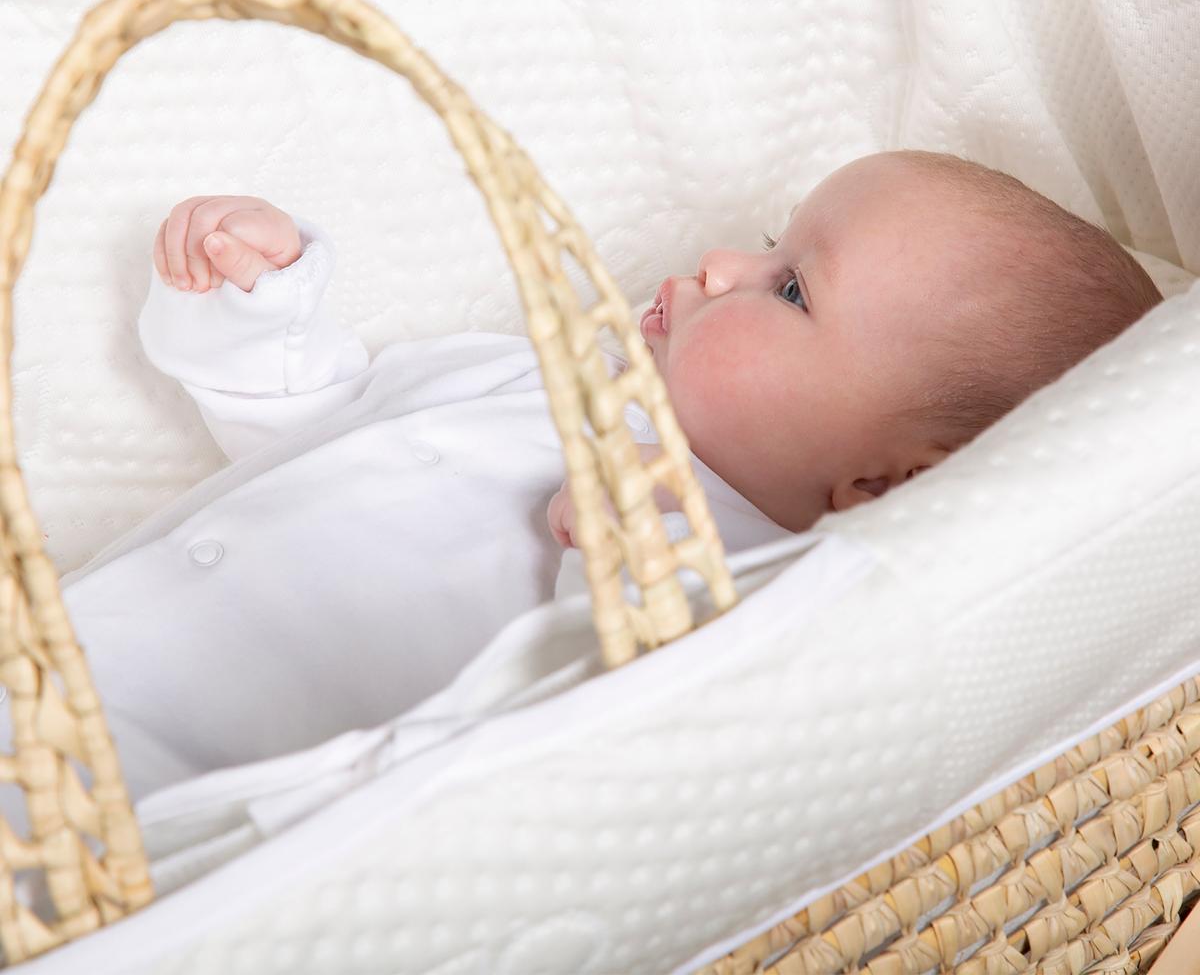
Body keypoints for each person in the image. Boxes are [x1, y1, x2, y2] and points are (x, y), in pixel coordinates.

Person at [49, 149, 1162, 800]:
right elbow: (325, 423)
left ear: (880, 485)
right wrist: (258, 308)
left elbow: (597, 754)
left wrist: (633, 566)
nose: (722, 263)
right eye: (769, 241)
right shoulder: (536, 371)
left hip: (157, 797)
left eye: (788, 289)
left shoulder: (742, 594)